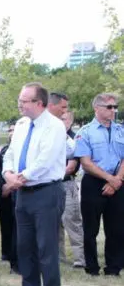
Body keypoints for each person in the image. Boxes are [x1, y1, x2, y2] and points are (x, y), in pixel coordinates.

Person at [3, 82, 66, 286]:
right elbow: (10, 152)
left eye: (24, 101)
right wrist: (7, 174)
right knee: (24, 245)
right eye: (20, 100)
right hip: (23, 193)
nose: (20, 104)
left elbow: (45, 161)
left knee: (46, 246)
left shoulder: (54, 127)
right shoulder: (21, 125)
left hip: (45, 191)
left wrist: (19, 178)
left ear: (39, 103)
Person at [74, 93, 124, 276]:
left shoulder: (121, 130)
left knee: (117, 228)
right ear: (96, 108)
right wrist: (109, 179)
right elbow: (86, 162)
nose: (113, 110)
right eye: (109, 107)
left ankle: (114, 267)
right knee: (90, 228)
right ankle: (92, 267)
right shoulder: (85, 132)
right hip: (94, 183)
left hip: (118, 182)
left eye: (115, 107)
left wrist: (117, 180)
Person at [59, 110, 85, 268]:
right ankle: (58, 257)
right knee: (54, 224)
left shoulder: (75, 139)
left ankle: (80, 258)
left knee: (72, 221)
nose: (61, 121)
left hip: (66, 184)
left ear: (70, 121)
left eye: (64, 119)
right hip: (51, 185)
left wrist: (49, 173)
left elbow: (71, 167)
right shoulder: (51, 137)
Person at [0, 123, 19, 273]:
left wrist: (10, 186)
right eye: (9, 130)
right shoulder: (4, 150)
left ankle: (15, 257)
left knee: (17, 225)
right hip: (4, 192)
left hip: (16, 189)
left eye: (14, 130)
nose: (11, 133)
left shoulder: (21, 149)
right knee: (5, 223)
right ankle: (6, 252)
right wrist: (3, 185)